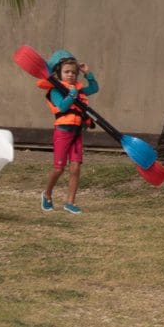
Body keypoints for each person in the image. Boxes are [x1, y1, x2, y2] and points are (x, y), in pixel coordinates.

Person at [37, 51, 97, 214]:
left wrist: (88, 74)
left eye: (74, 72)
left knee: (75, 168)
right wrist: (72, 94)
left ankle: (70, 202)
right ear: (59, 73)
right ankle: (47, 194)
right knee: (59, 168)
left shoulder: (77, 89)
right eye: (66, 72)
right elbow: (63, 107)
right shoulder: (55, 91)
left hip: (77, 132)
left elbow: (94, 88)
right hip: (63, 132)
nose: (70, 75)